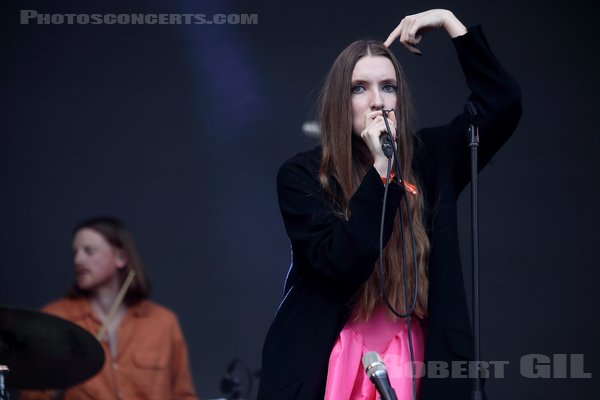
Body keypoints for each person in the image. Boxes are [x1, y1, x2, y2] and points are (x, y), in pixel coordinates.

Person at [258, 8, 521, 400]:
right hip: (334, 361)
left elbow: (502, 105)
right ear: (340, 101)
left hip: (414, 357)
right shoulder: (302, 176)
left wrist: (450, 23)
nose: (377, 101)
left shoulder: (429, 158)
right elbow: (340, 260)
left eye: (388, 86)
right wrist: (382, 171)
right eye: (359, 88)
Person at [19, 216, 198, 400]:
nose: (78, 259)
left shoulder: (164, 322)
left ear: (120, 258)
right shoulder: (55, 318)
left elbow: (184, 395)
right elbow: (31, 396)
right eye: (75, 253)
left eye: (89, 251)